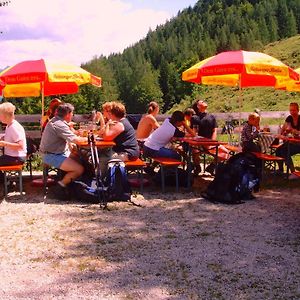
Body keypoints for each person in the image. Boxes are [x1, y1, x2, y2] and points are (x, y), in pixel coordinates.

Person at [39, 103, 86, 199]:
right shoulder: (59, 124)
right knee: (79, 169)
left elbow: (71, 135)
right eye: (72, 113)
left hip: (56, 153)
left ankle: (74, 185)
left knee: (81, 159)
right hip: (51, 156)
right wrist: (91, 139)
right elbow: (76, 140)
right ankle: (60, 186)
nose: (73, 115)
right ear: (68, 114)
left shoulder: (57, 121)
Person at [276, 102, 300, 179]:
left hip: (298, 144)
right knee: (278, 150)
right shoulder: (289, 118)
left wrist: (293, 131)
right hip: (292, 142)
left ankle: (293, 173)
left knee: (285, 150)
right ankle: (280, 170)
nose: (292, 112)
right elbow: (283, 129)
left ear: (298, 110)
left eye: (294, 110)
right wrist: (281, 133)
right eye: (290, 110)